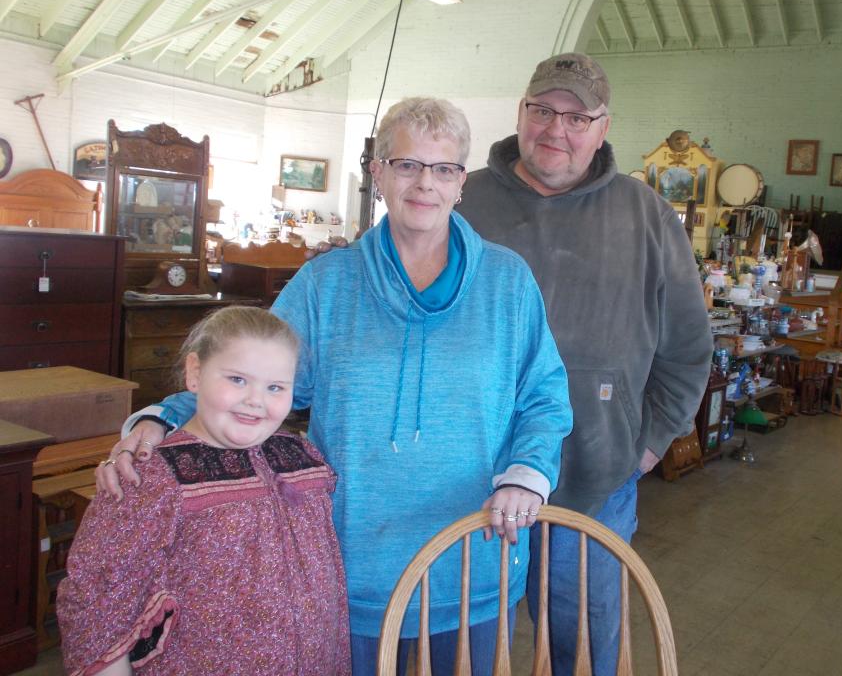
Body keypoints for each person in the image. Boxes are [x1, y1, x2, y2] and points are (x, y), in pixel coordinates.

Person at [97, 98, 573, 675]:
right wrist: (162, 418)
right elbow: (256, 379)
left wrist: (528, 475)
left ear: (461, 183)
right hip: (348, 569)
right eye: (406, 165)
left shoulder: (507, 282)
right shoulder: (326, 285)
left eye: (444, 169)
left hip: (472, 560)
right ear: (377, 173)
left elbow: (544, 396)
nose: (425, 184)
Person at [457, 52, 713, 675]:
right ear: (521, 111)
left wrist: (647, 444)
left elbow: (688, 346)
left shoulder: (647, 214)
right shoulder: (460, 199)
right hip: (468, 474)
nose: (556, 129)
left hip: (595, 479)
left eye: (577, 117)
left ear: (603, 127)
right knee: (459, 643)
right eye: (543, 110)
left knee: (585, 649)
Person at [59, 306, 350, 675]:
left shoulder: (304, 458)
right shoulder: (150, 478)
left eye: (275, 387)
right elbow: (94, 604)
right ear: (195, 373)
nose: (256, 400)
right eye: (237, 380)